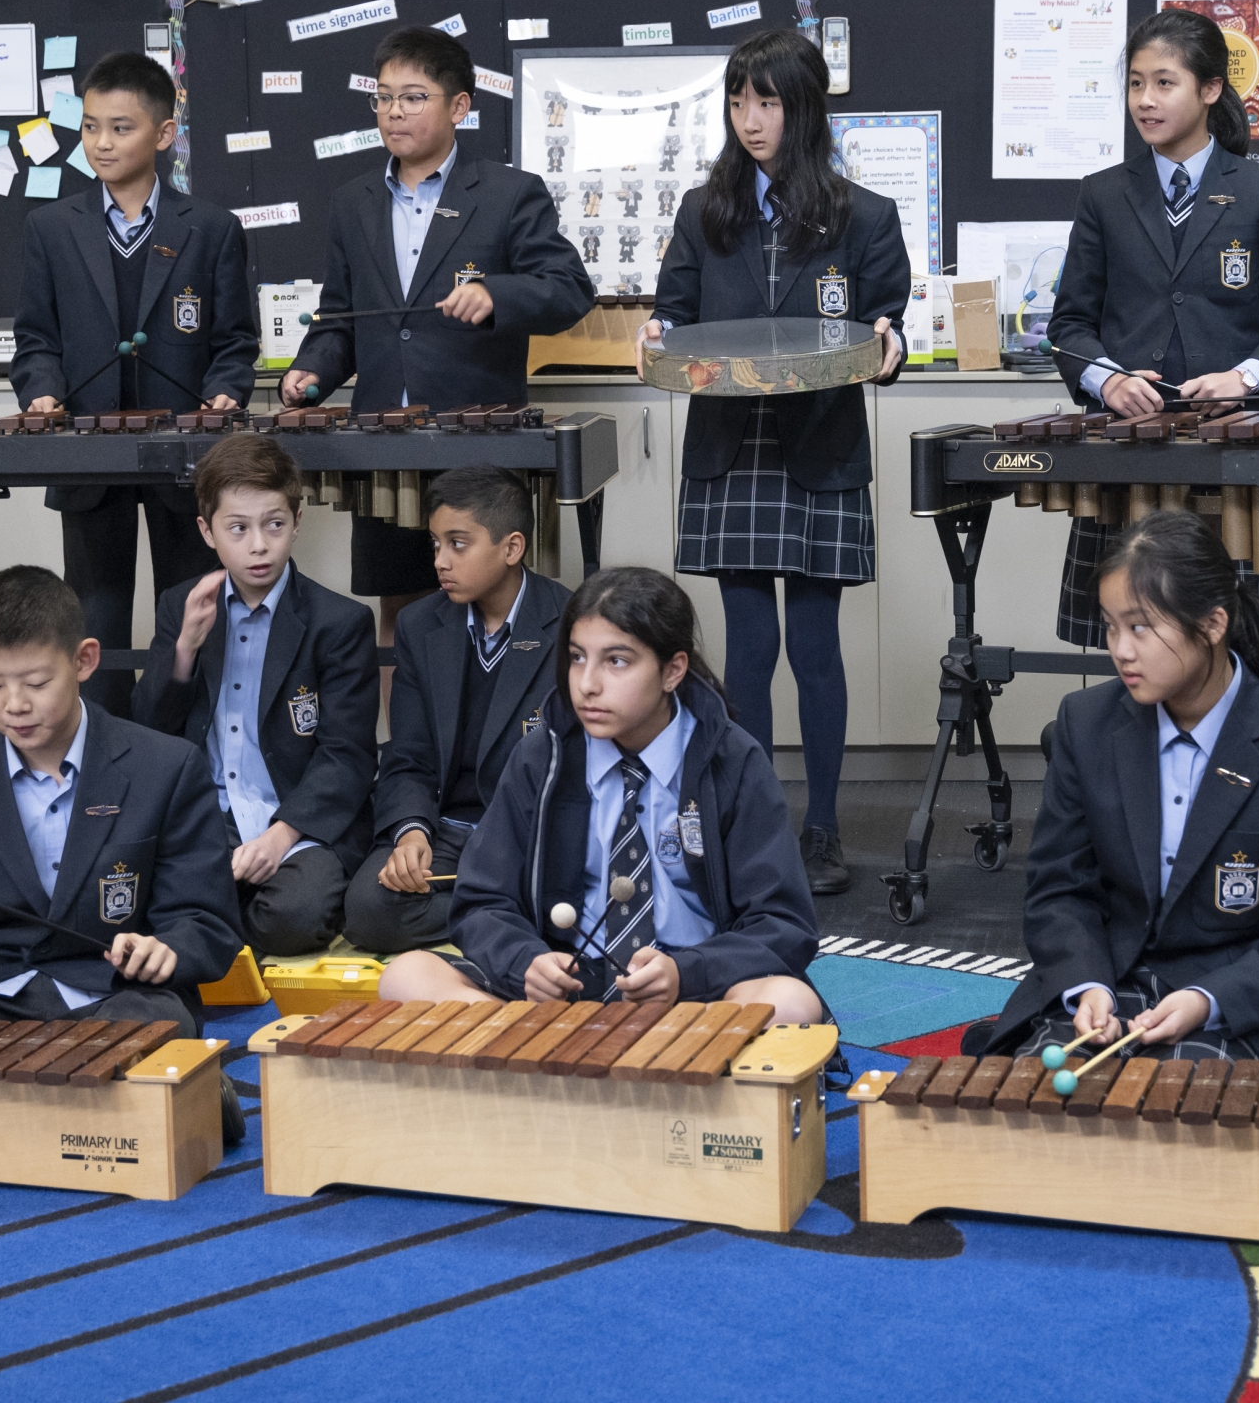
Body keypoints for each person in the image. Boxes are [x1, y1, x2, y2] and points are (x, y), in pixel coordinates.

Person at [635, 27, 908, 895]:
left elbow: (885, 323)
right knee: (746, 649)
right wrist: (653, 332)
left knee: (816, 648)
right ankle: (744, 822)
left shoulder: (866, 215)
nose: (751, 119)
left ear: (806, 107)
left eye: (769, 101)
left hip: (820, 447)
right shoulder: (701, 210)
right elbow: (673, 310)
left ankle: (823, 827)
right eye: (739, 100)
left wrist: (891, 341)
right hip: (730, 449)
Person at [965, 513, 1259, 1063]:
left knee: (1182, 1133)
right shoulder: (1085, 724)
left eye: (1141, 627)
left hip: (1228, 1002)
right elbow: (1060, 889)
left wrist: (1206, 1000)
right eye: (1110, 626)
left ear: (1213, 624)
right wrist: (1087, 986)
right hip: (1106, 977)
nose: (1121, 650)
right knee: (1037, 1118)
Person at [378, 567, 821, 1024]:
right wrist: (526, 963)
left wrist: (687, 972)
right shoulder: (542, 757)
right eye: (575, 657)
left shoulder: (732, 760)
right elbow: (481, 900)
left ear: (673, 670)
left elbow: (783, 924)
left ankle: (562, 1065)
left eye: (617, 661)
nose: (587, 684)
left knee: (790, 1004)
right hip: (567, 993)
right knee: (405, 976)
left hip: (696, 990)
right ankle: (543, 1043)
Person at [0, 565, 243, 1048]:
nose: (14, 704)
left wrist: (165, 949)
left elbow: (206, 920)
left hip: (114, 997)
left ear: (84, 660)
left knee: (156, 1029)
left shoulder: (166, 767)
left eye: (35, 683)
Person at [281, 25, 592, 627]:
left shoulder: (509, 194)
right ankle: (408, 727)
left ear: (459, 107)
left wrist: (495, 294)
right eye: (384, 96)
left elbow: (569, 289)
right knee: (401, 617)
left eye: (414, 96)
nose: (394, 111)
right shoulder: (353, 201)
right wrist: (309, 370)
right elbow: (340, 317)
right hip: (381, 445)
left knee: (490, 611)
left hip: (476, 442)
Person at [1045, 9, 1259, 646]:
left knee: (1227, 639)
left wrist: (1244, 378)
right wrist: (1105, 378)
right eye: (1136, 84)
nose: (1145, 100)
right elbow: (1068, 324)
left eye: (1164, 83)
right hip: (1127, 450)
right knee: (1129, 640)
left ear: (1209, 90)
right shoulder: (1102, 195)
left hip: (1231, 446)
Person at [11, 51, 256, 717]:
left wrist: (227, 390)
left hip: (186, 460)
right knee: (95, 621)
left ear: (164, 134)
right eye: (90, 127)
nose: (101, 143)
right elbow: (36, 338)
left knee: (192, 615)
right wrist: (41, 390)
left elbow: (236, 340)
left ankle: (190, 753)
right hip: (89, 457)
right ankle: (105, 754)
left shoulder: (211, 228)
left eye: (120, 128)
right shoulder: (52, 229)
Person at [136, 434, 377, 957]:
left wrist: (280, 836)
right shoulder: (183, 605)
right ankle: (213, 916)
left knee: (294, 917)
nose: (259, 545)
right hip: (211, 816)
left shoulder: (340, 622)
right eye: (238, 529)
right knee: (137, 898)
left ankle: (213, 925)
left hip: (297, 819)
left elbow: (347, 755)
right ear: (207, 531)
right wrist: (184, 650)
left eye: (274, 524)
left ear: (297, 522)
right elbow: (151, 731)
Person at [346, 464, 569, 957]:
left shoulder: (569, 625)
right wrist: (410, 833)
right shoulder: (419, 625)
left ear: (512, 548)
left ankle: (499, 903)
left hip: (529, 833)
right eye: (435, 544)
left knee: (574, 888)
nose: (440, 562)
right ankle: (504, 913)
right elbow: (408, 755)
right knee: (368, 910)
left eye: (458, 544)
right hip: (446, 830)